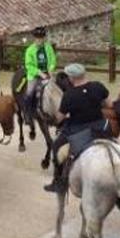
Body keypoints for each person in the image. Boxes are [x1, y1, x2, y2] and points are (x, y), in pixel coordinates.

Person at [44, 63, 112, 193]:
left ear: (71, 78)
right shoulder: (98, 86)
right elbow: (109, 104)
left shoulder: (69, 95)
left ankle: (58, 183)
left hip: (78, 131)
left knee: (56, 146)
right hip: (101, 127)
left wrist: (53, 119)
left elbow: (59, 118)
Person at [23, 26, 57, 112]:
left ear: (44, 38)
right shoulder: (29, 50)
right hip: (34, 75)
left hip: (48, 73)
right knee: (30, 92)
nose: (40, 41)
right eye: (38, 38)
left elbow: (53, 59)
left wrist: (51, 69)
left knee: (59, 88)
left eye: (42, 38)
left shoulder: (48, 47)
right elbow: (29, 65)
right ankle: (28, 113)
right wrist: (39, 73)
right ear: (34, 38)